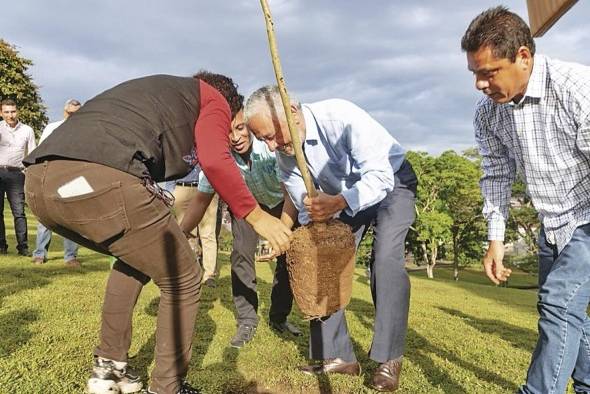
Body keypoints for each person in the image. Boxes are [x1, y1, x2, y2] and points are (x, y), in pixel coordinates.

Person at [23, 72, 292, 394]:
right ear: (229, 105)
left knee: (134, 260)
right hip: (101, 177)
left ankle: (109, 371)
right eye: (230, 125)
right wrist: (256, 216)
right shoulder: (213, 98)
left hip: (40, 186)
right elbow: (214, 160)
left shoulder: (154, 98)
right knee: (185, 278)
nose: (228, 135)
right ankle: (168, 386)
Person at [244, 86, 417, 392]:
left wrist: (338, 202)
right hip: (341, 196)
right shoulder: (286, 152)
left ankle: (389, 357)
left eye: (271, 135)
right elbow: (302, 197)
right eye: (263, 140)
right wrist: (307, 230)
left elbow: (378, 177)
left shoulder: (341, 117)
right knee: (320, 256)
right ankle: (338, 356)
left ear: (293, 113)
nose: (271, 146)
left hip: (391, 183)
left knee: (386, 259)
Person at [461, 7, 590, 394]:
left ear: (523, 57)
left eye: (488, 72)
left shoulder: (576, 89)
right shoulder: (488, 115)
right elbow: (497, 175)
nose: (480, 85)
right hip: (552, 224)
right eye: (474, 74)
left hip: (588, 216)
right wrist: (495, 239)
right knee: (566, 314)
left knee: (557, 303)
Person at [180, 107, 301, 349]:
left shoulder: (270, 151)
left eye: (240, 128)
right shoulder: (219, 160)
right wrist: (179, 233)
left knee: (287, 260)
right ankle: (247, 320)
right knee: (240, 255)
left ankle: (279, 317)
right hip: (246, 207)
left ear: (249, 127)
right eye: (228, 132)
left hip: (282, 203)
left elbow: (290, 191)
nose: (235, 137)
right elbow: (201, 201)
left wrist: (282, 230)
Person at [32, 99, 82, 267]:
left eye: (76, 113)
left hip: (73, 177)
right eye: (70, 113)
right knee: (45, 216)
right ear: (64, 112)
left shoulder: (84, 131)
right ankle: (40, 254)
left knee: (71, 218)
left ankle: (70, 256)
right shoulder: (51, 128)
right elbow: (41, 151)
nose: (72, 116)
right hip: (51, 175)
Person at [173, 165, 221, 287]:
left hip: (208, 188)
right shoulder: (181, 145)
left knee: (208, 232)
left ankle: (209, 275)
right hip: (182, 187)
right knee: (185, 233)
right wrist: (171, 189)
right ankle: (189, 271)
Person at [0, 99, 36, 256]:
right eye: (6, 112)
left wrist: (29, 171)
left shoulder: (27, 130)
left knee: (19, 212)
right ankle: (1, 246)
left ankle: (23, 247)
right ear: (1, 113)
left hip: (17, 174)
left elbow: (33, 153)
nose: (10, 115)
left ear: (17, 111)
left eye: (13, 111)